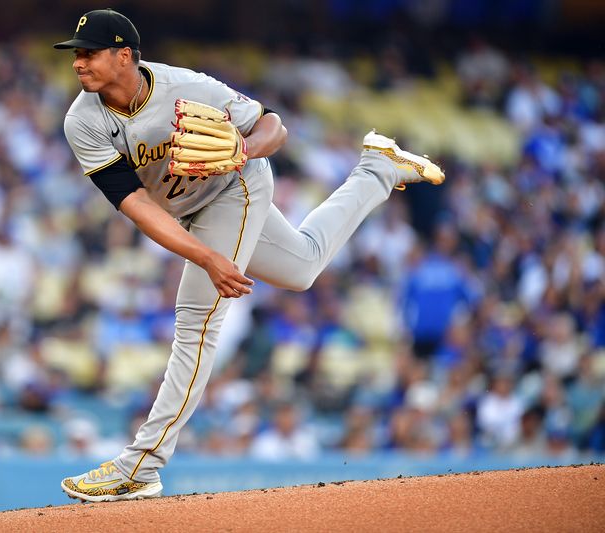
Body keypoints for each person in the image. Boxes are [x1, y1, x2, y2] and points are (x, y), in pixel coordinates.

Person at [55, 8, 444, 502]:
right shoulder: (82, 121)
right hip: (184, 214)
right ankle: (378, 169)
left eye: (88, 53)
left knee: (196, 321)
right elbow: (136, 207)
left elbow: (274, 127)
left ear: (124, 55)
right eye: (76, 55)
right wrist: (206, 256)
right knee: (302, 266)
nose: (78, 63)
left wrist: (243, 147)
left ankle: (141, 465)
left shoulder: (186, 87)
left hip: (233, 189)